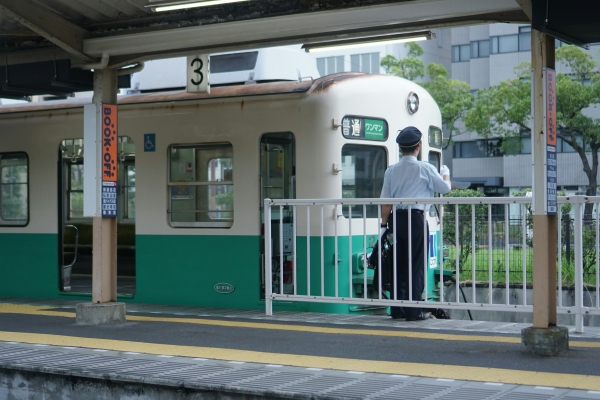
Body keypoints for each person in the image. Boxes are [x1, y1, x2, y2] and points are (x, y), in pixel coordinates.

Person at [380, 126, 451, 321]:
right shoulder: (425, 168)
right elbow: (445, 188)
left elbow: (385, 202)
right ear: (418, 146)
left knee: (398, 264)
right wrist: (445, 172)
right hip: (416, 220)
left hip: (396, 220)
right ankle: (413, 310)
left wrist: (383, 227)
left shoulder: (391, 171)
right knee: (416, 264)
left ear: (400, 148)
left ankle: (397, 309)